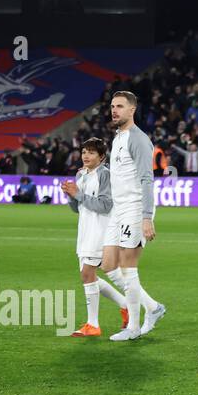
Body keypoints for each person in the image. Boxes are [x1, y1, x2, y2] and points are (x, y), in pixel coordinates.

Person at [104, 91, 167, 342]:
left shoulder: (138, 140)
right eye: (112, 106)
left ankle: (133, 327)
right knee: (108, 264)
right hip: (117, 210)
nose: (114, 110)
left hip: (134, 209)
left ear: (132, 110)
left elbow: (146, 179)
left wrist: (146, 216)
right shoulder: (118, 137)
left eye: (120, 106)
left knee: (128, 268)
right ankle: (153, 307)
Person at [61, 138, 128, 336]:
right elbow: (77, 208)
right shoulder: (81, 174)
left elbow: (106, 205)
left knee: (87, 274)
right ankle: (126, 305)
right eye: (84, 152)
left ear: (101, 157)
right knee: (89, 276)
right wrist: (70, 195)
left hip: (102, 231)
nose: (86, 156)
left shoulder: (106, 175)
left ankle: (93, 324)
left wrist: (79, 195)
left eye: (91, 152)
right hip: (85, 231)